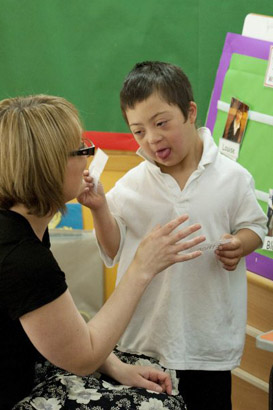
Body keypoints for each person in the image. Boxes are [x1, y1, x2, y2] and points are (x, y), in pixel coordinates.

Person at [79, 61, 268, 410]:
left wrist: (241, 244)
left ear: (190, 112)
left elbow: (256, 225)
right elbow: (113, 249)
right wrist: (100, 209)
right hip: (145, 342)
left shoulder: (233, 177)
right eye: (138, 131)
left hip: (207, 345)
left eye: (161, 123)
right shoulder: (133, 184)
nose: (151, 139)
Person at [0, 94, 206, 409]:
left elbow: (56, 326)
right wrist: (142, 267)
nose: (88, 158)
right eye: (81, 149)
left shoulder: (20, 226)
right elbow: (82, 357)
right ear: (50, 166)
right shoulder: (23, 258)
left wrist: (113, 365)